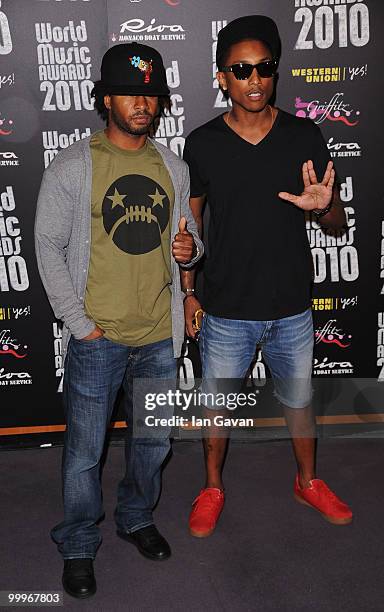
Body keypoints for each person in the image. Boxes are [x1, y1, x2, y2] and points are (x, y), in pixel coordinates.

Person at [35, 43, 203, 599]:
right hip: (98, 339)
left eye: (152, 94)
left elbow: (189, 242)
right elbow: (47, 247)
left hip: (159, 335)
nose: (142, 103)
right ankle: (79, 542)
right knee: (85, 454)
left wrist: (189, 250)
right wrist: (81, 324)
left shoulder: (172, 166)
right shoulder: (74, 166)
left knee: (153, 443)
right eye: (131, 92)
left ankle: (135, 517)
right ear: (105, 98)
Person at [181, 15, 352, 539]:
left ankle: (307, 481)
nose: (254, 79)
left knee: (299, 402)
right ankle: (212, 488)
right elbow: (189, 225)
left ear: (275, 72)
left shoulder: (303, 134)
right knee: (218, 408)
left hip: (291, 307)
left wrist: (322, 208)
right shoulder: (203, 143)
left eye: (264, 68)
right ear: (221, 77)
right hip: (227, 307)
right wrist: (189, 293)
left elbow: (337, 222)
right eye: (241, 69)